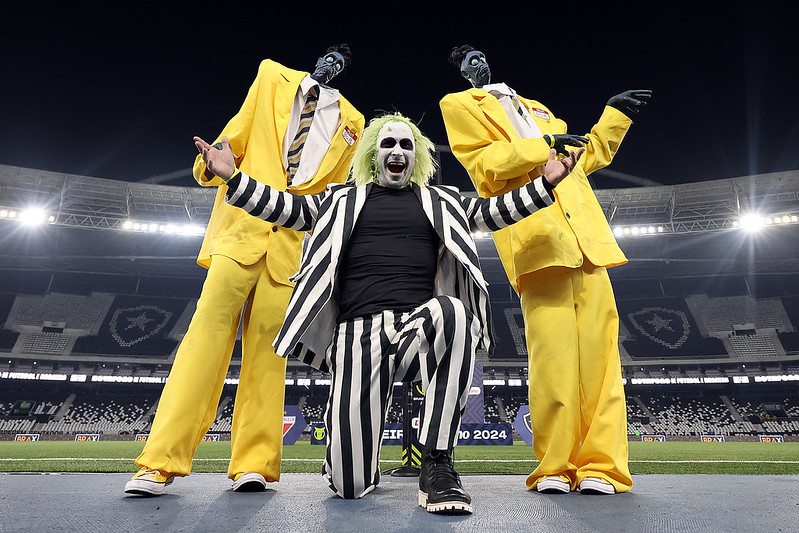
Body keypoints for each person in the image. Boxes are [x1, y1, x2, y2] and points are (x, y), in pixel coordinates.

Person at [193, 112, 583, 513]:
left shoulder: (442, 200)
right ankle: (355, 463)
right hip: (356, 337)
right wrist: (232, 178)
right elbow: (286, 208)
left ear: (418, 158)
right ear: (372, 156)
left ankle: (437, 462)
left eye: (406, 145)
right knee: (348, 487)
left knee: (457, 315)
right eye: (388, 144)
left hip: (418, 329)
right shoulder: (339, 199)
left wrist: (546, 182)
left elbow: (495, 211)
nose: (398, 151)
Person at [124, 46, 364, 496]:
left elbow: (332, 192)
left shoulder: (354, 121)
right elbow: (236, 132)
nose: (332, 65)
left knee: (269, 359)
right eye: (328, 56)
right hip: (240, 234)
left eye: (341, 63)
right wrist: (210, 166)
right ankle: (158, 462)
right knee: (203, 342)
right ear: (317, 58)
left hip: (290, 250)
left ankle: (254, 463)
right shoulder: (272, 75)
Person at [439, 44, 651, 495]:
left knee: (602, 361)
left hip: (588, 243)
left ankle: (601, 467)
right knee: (552, 362)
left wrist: (612, 118)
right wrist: (545, 145)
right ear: (461, 73)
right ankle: (555, 466)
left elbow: (581, 159)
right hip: (536, 242)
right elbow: (486, 165)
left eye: (480, 56)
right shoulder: (458, 105)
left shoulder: (538, 109)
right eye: (466, 62)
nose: (476, 64)